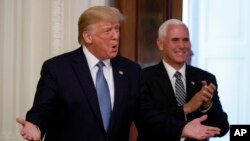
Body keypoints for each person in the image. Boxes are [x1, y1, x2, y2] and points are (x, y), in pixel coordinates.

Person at [16, 7, 221, 141]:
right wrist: (36, 127)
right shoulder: (58, 68)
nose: (116, 36)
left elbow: (148, 116)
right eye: (108, 31)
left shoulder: (130, 71)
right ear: (88, 36)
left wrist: (182, 128)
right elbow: (42, 110)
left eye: (117, 29)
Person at [137, 19, 229, 141]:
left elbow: (222, 128)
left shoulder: (205, 79)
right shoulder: (143, 77)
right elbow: (145, 124)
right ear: (160, 44)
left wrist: (207, 106)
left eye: (185, 40)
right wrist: (187, 108)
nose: (182, 45)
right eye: (175, 40)